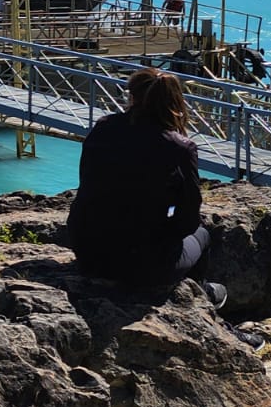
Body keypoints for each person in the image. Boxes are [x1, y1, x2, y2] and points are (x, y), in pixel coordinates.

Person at [67, 68, 224, 305]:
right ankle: (201, 300)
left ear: (131, 96)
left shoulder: (103, 127)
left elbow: (88, 182)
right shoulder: (181, 148)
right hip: (141, 265)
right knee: (202, 235)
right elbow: (189, 219)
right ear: (176, 101)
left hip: (88, 253)